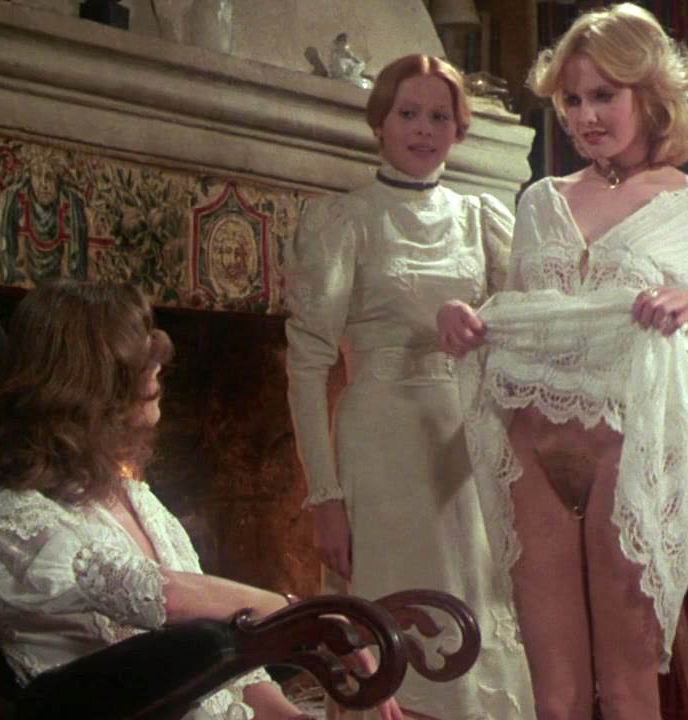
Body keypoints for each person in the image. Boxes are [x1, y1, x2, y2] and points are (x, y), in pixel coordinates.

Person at [437, 4, 688, 719]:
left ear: (649, 94)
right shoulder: (540, 202)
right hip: (530, 453)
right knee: (553, 700)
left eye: (603, 96)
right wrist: (467, 319)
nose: (584, 117)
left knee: (625, 693)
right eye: (572, 99)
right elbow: (524, 324)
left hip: (631, 453)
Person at [0, 280, 401, 720]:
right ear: (92, 382)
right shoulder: (19, 526)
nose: (158, 363)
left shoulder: (134, 498)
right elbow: (162, 596)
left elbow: (231, 652)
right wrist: (301, 615)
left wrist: (290, 717)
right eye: (141, 354)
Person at [285, 54, 535, 720]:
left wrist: (481, 325)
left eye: (439, 117)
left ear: (459, 129)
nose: (423, 130)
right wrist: (324, 498)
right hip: (379, 444)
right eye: (408, 113)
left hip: (464, 442)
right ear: (380, 123)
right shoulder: (345, 220)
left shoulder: (481, 219)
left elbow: (526, 330)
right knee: (388, 619)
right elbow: (307, 364)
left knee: (475, 609)